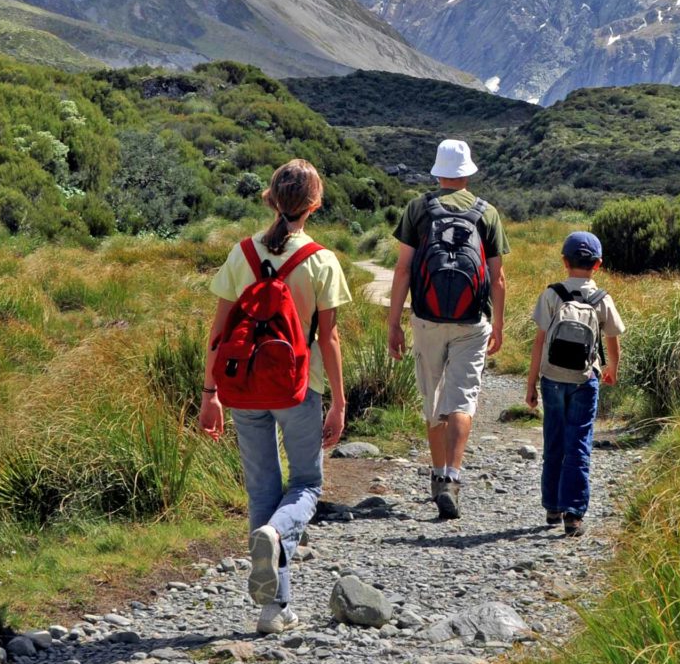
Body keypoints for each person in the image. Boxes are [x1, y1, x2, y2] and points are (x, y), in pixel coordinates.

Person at [199, 160, 351, 635]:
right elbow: (329, 341)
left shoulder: (241, 253)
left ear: (269, 198)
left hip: (243, 389)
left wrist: (210, 393)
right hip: (299, 389)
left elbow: (219, 332)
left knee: (263, 490)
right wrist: (340, 402)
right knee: (305, 484)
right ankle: (276, 545)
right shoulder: (322, 260)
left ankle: (274, 607)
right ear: (315, 204)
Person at [386, 138, 509, 520]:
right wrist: (499, 325)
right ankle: (453, 477)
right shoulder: (487, 213)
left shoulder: (418, 208)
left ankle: (437, 475)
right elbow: (498, 277)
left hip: (426, 319)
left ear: (438, 173)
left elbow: (404, 269)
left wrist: (394, 323)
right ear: (468, 173)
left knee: (433, 397)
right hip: (472, 321)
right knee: (462, 397)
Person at [523, 231, 623, 537]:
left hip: (552, 378)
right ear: (599, 264)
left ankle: (552, 506)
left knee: (553, 441)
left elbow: (539, 343)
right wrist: (611, 368)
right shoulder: (602, 298)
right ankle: (574, 514)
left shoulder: (552, 294)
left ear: (565, 262)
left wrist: (531, 384)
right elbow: (613, 339)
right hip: (584, 379)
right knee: (578, 444)